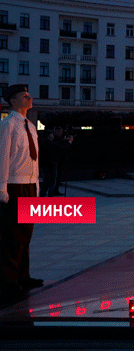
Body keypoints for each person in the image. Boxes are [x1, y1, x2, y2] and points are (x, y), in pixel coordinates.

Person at [0, 84, 44, 297]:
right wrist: (2, 187)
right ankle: (8, 280)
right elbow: (2, 157)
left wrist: (36, 185)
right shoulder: (7, 125)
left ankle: (23, 276)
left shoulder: (31, 126)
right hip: (14, 185)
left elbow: (33, 159)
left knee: (26, 233)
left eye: (29, 95)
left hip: (29, 185)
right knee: (12, 235)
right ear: (13, 101)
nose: (30, 98)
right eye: (25, 96)